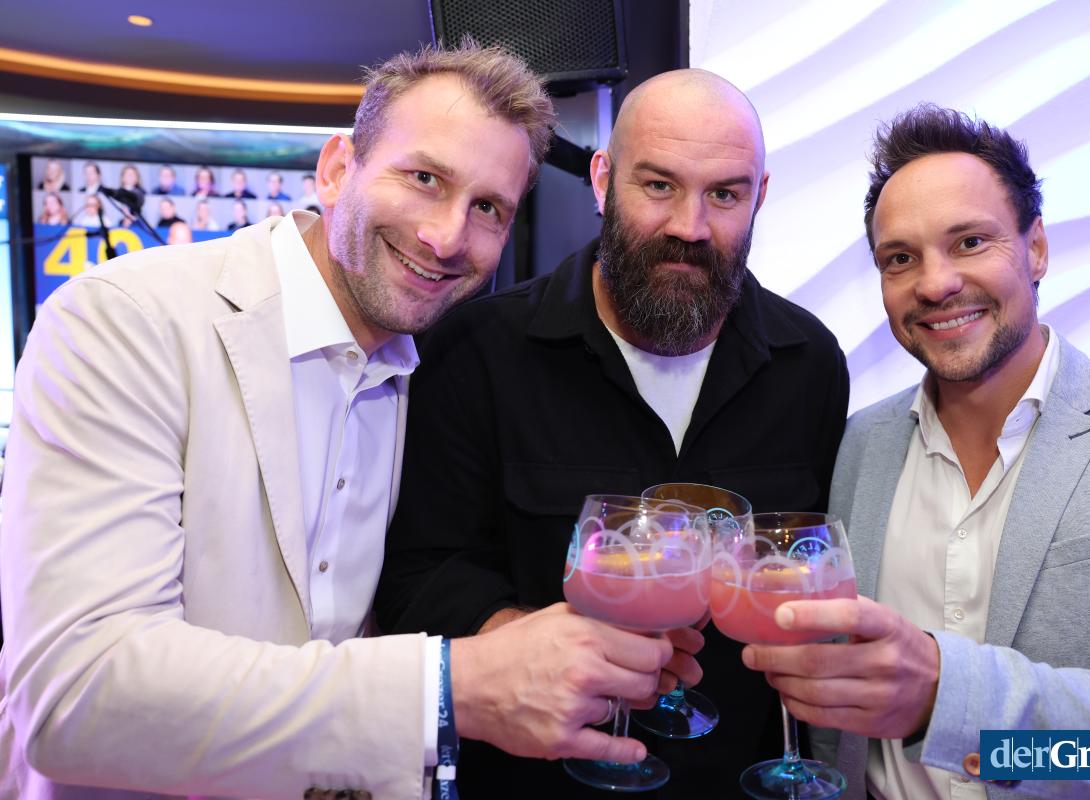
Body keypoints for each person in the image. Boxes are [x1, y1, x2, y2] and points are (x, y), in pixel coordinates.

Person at [0, 42, 674, 800]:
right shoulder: (125, 320)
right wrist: (446, 689)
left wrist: (519, 646)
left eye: (488, 208)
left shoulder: (437, 367)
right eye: (424, 178)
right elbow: (76, 695)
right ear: (335, 169)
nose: (447, 237)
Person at [373, 68, 850, 798]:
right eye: (658, 185)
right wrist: (547, 654)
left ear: (759, 196)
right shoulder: (480, 348)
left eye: (725, 195)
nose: (690, 227)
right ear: (602, 181)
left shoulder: (808, 363)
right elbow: (421, 577)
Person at [741, 104, 1090, 798]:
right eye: (900, 259)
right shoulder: (860, 444)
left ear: (1036, 247)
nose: (934, 284)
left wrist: (946, 702)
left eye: (970, 242)